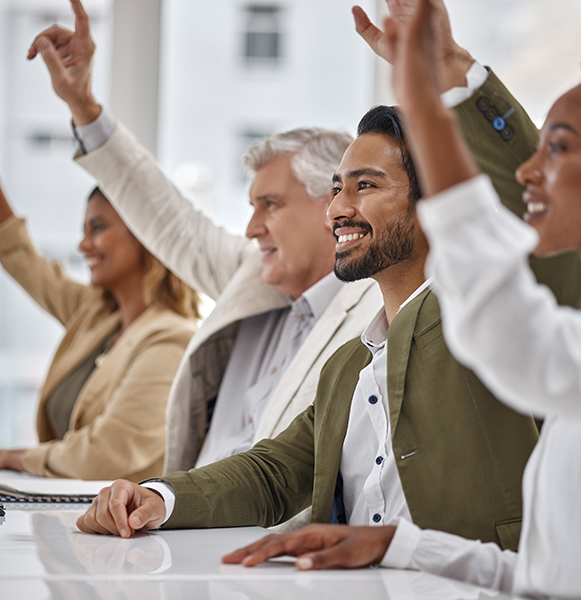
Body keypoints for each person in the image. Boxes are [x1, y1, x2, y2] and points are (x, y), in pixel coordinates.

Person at [67, 4, 581, 546]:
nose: (337, 208)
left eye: (366, 185)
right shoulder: (348, 368)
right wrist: (158, 498)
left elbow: (536, 200)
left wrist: (453, 69)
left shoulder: (491, 322)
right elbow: (272, 473)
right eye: (337, 188)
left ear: (437, 201)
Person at [220, 2, 581, 598]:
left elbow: (505, 309)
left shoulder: (502, 321)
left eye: (560, 149)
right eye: (338, 188)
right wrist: (397, 545)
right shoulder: (351, 366)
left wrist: (441, 90)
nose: (529, 174)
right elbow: (547, 580)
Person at [27, 0, 382, 479]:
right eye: (252, 206)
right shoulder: (253, 275)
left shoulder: (376, 313)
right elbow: (170, 219)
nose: (252, 228)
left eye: (270, 205)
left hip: (260, 547)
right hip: (177, 528)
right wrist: (84, 108)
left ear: (331, 203)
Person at [0, 69, 199, 482]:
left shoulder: (172, 338)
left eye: (98, 228)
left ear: (144, 236)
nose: (84, 246)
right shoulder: (96, 315)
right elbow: (18, 255)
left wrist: (14, 457)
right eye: (83, 230)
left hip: (123, 539)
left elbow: (106, 455)